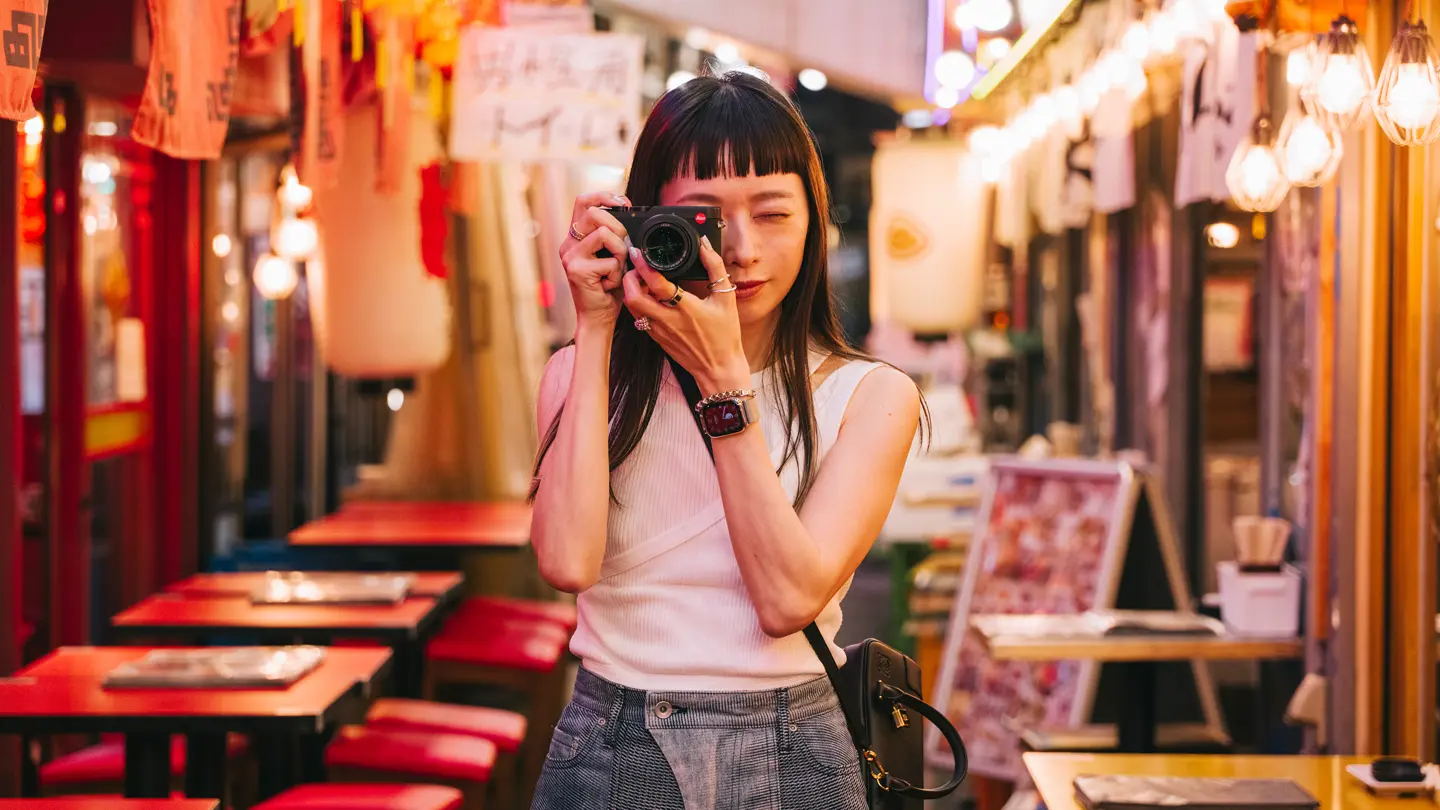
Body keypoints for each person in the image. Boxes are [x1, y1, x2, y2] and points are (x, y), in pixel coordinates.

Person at [528, 70, 925, 810]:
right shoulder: (582, 371)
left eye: (773, 214)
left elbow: (786, 600)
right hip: (613, 738)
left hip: (792, 745)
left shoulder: (871, 396)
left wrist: (722, 381)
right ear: (644, 222)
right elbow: (566, 561)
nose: (740, 251)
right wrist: (592, 327)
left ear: (815, 222)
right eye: (704, 219)